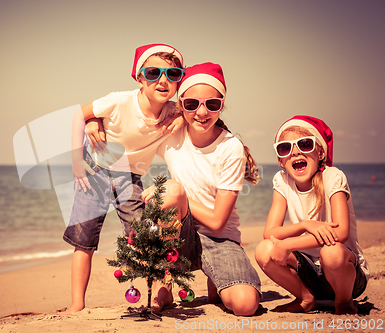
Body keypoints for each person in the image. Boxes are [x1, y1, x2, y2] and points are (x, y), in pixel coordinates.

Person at [62, 44, 186, 314]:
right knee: (84, 239)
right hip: (94, 170)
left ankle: (162, 293)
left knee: (142, 236)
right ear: (139, 78)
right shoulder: (119, 101)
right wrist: (76, 160)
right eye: (154, 73)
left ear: (179, 79)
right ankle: (76, 304)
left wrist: (183, 118)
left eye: (173, 74)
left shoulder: (177, 111)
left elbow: (203, 114)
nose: (163, 80)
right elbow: (77, 115)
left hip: (130, 177)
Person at [142, 62, 261, 316]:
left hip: (219, 237)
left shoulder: (231, 148)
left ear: (222, 105)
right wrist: (93, 121)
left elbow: (218, 222)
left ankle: (216, 281)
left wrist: (179, 196)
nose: (202, 112)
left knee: (245, 305)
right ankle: (166, 285)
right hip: (179, 233)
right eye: (192, 104)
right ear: (181, 103)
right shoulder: (172, 134)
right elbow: (131, 123)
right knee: (171, 193)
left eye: (212, 104)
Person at [254, 115, 369, 314]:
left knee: (330, 252)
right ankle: (306, 298)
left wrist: (289, 243)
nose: (295, 152)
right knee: (264, 249)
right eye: (285, 148)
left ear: (320, 152)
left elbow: (340, 233)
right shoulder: (281, 180)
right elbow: (270, 233)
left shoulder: (332, 176)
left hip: (345, 275)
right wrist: (305, 225)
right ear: (280, 160)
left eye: (305, 144)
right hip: (309, 274)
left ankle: (343, 302)